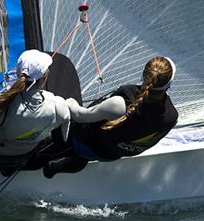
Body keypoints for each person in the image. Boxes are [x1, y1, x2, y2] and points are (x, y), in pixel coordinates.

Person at [0, 49, 118, 176]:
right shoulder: (59, 106)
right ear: (45, 77)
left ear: (17, 72)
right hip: (25, 156)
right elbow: (61, 141)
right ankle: (9, 169)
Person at [42, 55, 179, 178]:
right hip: (109, 154)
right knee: (81, 158)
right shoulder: (172, 117)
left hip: (82, 141)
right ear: (169, 85)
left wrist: (69, 102)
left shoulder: (123, 99)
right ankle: (53, 168)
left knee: (58, 141)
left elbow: (80, 117)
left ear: (143, 75)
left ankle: (37, 158)